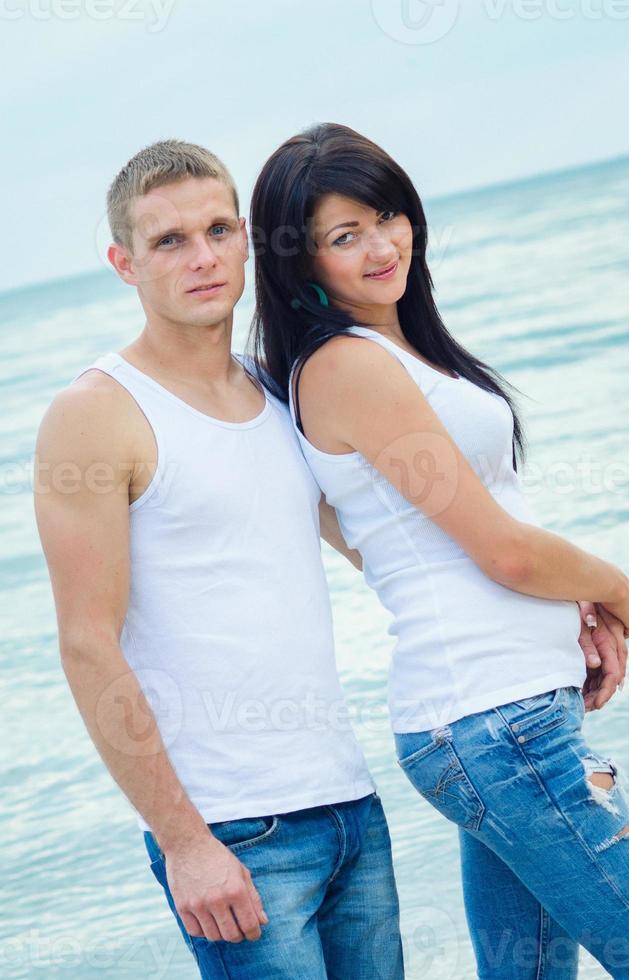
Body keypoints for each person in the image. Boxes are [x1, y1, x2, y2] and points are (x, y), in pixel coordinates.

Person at [248, 122, 629, 978]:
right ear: (301, 263)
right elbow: (502, 551)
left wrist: (565, 603)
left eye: (386, 216)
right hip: (495, 723)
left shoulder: (398, 352)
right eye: (342, 236)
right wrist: (617, 586)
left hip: (504, 714)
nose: (380, 245)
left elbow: (405, 542)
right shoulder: (346, 368)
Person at [33, 139, 405, 980]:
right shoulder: (95, 414)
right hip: (234, 834)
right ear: (123, 262)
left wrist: (548, 609)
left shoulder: (277, 390)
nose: (202, 258)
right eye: (168, 241)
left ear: (246, 239)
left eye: (216, 231)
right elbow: (87, 644)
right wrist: (183, 842)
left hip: (350, 807)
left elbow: (384, 551)